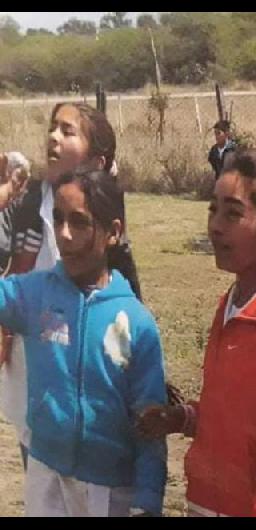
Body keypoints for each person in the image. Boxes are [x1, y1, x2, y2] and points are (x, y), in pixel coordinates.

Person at [136, 152, 256, 517]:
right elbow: (233, 414)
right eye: (212, 209)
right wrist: (183, 418)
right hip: (204, 501)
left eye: (233, 213)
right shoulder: (231, 304)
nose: (216, 226)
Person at [0, 168, 167, 516]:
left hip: (109, 492)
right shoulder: (35, 294)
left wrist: (148, 500)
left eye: (79, 222)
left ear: (113, 232)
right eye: (58, 219)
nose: (63, 234)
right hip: (45, 479)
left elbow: (151, 425)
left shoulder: (135, 322)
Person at [0, 102, 142, 474]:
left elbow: (122, 284)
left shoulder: (105, 207)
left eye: (67, 131)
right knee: (40, 469)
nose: (53, 136)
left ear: (97, 159)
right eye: (52, 128)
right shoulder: (29, 200)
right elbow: (12, 269)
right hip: (34, 363)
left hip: (87, 359)